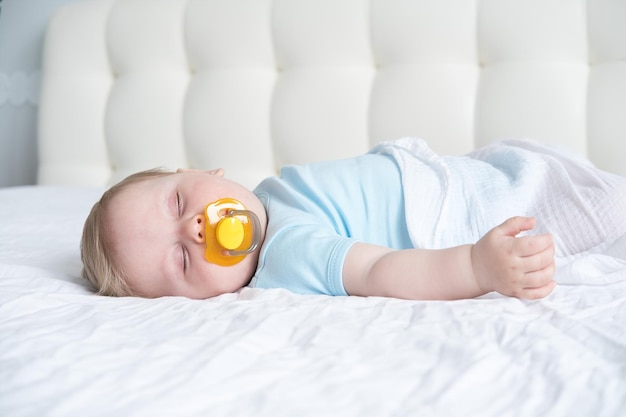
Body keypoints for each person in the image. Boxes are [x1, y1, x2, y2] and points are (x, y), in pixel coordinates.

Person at [80, 138, 626, 301]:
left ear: (200, 171)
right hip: (479, 217)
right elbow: (378, 270)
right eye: (180, 257)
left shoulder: (272, 195)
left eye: (178, 203)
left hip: (467, 178)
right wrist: (476, 267)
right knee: (603, 209)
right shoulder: (287, 251)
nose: (195, 229)